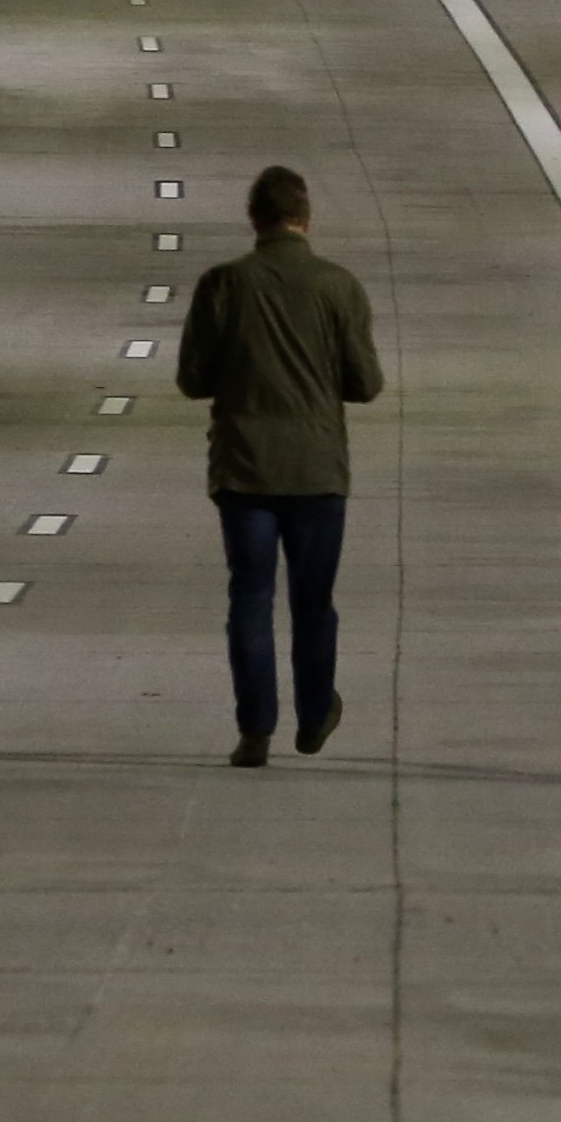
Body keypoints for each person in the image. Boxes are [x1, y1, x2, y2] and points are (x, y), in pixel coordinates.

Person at [177, 164, 383, 766]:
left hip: (245, 469)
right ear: (306, 217)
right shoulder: (338, 285)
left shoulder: (223, 284)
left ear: (254, 219)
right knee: (313, 601)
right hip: (317, 471)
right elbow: (365, 383)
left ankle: (256, 728)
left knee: (250, 596)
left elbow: (193, 378)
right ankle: (315, 712)